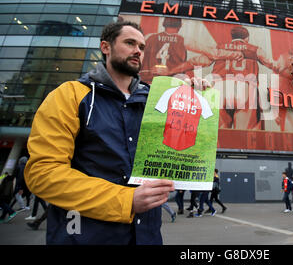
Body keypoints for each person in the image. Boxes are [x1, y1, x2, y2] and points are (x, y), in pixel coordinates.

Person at [24, 20, 210, 245]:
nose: (138, 51)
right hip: (84, 237)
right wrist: (126, 200)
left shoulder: (155, 102)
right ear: (106, 47)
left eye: (142, 47)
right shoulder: (69, 95)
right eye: (130, 43)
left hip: (147, 237)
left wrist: (189, 100)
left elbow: (179, 152)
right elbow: (43, 174)